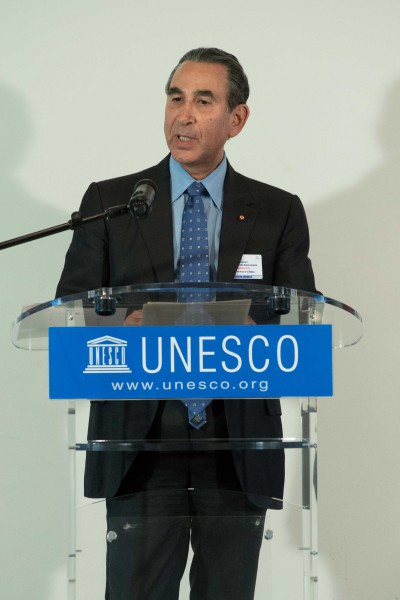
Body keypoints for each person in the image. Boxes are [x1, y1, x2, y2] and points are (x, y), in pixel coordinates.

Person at [56, 47, 318, 600]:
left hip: (236, 440)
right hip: (139, 439)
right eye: (176, 97)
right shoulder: (112, 204)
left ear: (236, 119)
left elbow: (302, 313)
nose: (184, 114)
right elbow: (70, 307)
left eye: (203, 100)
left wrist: (256, 332)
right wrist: (116, 328)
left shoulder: (278, 211)